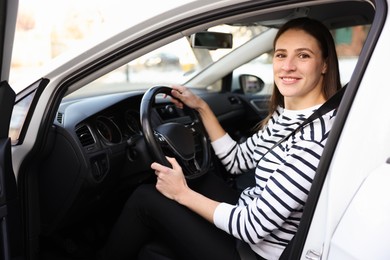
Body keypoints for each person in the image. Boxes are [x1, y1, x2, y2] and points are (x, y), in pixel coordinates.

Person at [98, 17, 342, 260]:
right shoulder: (287, 116)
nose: (287, 66)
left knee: (145, 199)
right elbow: (237, 161)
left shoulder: (314, 138)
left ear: (324, 65)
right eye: (280, 55)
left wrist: (181, 193)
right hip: (249, 216)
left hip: (257, 251)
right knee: (198, 179)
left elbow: (253, 227)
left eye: (303, 56)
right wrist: (202, 108)